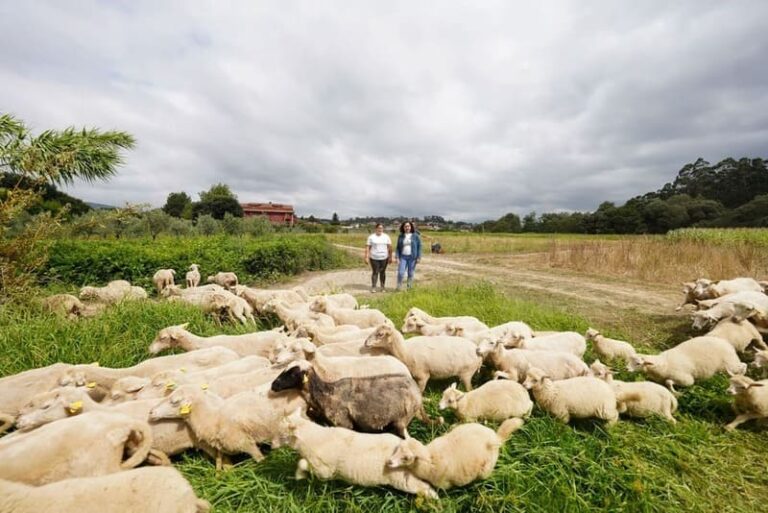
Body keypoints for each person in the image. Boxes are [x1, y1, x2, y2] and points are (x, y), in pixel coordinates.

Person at [365, 223, 393, 292]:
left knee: (383, 272)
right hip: (374, 258)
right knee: (375, 272)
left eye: (381, 228)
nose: (380, 229)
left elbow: (390, 248)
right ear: (376, 228)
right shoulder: (371, 237)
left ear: (383, 229)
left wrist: (390, 257)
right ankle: (374, 287)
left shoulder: (386, 237)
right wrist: (366, 257)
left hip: (384, 258)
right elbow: (367, 247)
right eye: (379, 228)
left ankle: (382, 287)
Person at [395, 221, 421, 291]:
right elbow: (397, 247)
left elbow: (419, 247)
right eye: (405, 226)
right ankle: (398, 286)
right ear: (403, 227)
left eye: (408, 226)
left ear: (411, 227)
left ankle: (409, 288)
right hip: (403, 257)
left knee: (410, 273)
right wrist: (397, 257)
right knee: (401, 272)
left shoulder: (415, 236)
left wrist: (418, 257)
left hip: (412, 257)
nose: (407, 228)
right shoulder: (401, 236)